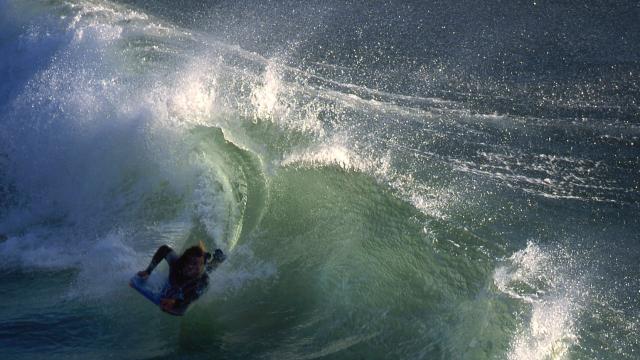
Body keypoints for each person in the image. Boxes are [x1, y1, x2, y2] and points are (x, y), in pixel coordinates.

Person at [134, 242, 226, 315]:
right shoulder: (176, 263)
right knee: (200, 266)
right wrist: (148, 271)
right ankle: (204, 255)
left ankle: (216, 259)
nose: (198, 268)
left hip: (195, 283)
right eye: (193, 264)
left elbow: (192, 297)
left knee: (208, 269)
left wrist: (175, 302)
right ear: (184, 263)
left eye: (199, 264)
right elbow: (164, 249)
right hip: (186, 265)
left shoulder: (203, 279)